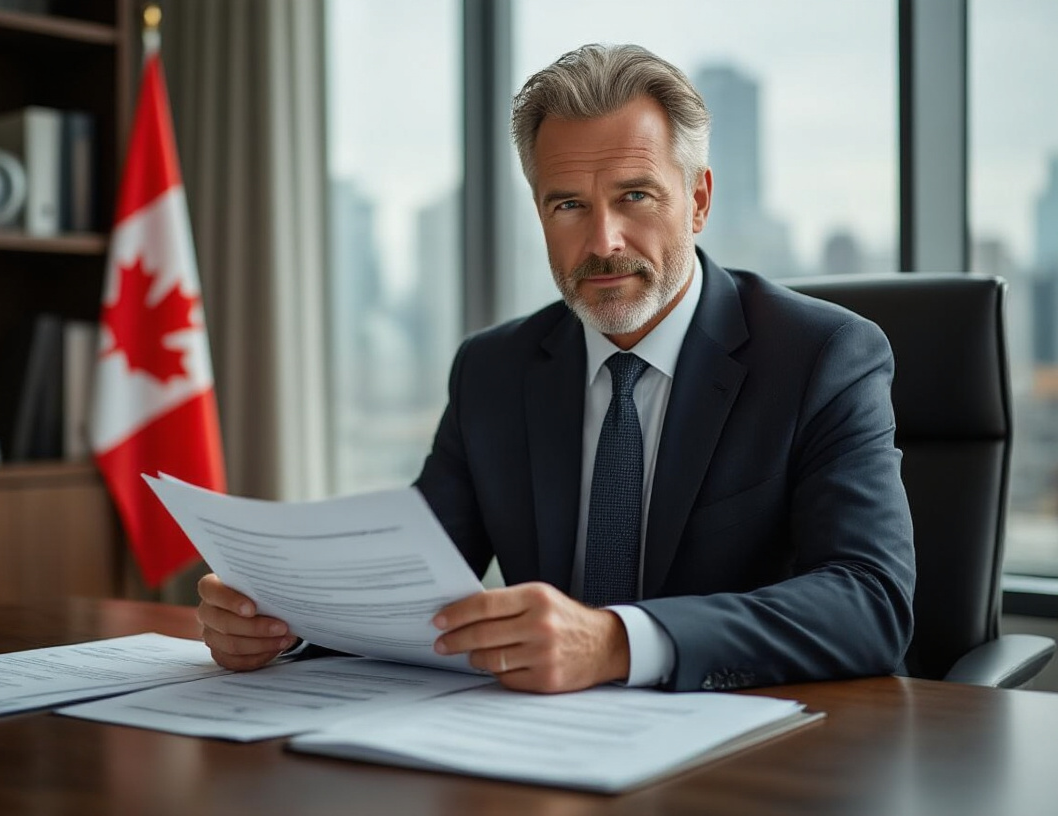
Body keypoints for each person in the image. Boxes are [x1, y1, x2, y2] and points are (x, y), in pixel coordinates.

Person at [197, 43, 916, 693]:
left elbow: (870, 602)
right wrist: (283, 619)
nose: (603, 242)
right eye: (569, 204)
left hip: (754, 751)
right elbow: (410, 579)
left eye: (635, 196)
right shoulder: (493, 370)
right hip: (538, 747)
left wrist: (616, 643)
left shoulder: (822, 357)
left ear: (697, 201)